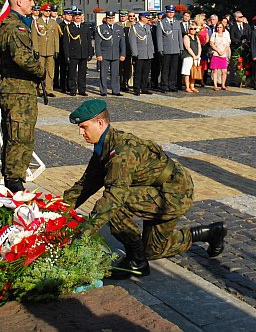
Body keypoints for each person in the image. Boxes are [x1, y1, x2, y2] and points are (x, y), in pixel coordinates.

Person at [63, 99, 227, 278]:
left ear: (100, 123)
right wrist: (56, 211)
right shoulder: (105, 147)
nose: (80, 132)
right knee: (153, 250)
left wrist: (85, 232)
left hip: (173, 194)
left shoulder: (121, 154)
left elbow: (114, 198)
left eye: (84, 127)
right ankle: (211, 233)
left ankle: (136, 261)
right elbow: (86, 185)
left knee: (116, 202)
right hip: (156, 190)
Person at [0, 0, 45, 193]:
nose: (33, 4)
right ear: (19, 1)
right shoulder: (14, 27)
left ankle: (14, 182)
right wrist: (41, 70)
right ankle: (14, 185)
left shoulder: (17, 24)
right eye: (30, 0)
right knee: (19, 139)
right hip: (18, 91)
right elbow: (22, 58)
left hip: (20, 91)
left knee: (19, 138)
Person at [31, 4, 60, 97]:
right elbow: (34, 37)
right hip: (41, 49)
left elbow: (56, 37)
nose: (48, 12)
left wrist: (57, 50)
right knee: (40, 70)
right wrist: (35, 49)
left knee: (50, 71)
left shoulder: (53, 23)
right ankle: (38, 89)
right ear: (42, 11)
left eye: (49, 11)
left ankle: (49, 89)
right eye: (46, 11)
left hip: (50, 50)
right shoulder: (36, 22)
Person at [64, 9, 94, 96]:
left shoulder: (85, 27)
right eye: (76, 16)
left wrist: (90, 53)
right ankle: (72, 89)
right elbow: (66, 43)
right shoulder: (69, 27)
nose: (78, 17)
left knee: (82, 73)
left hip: (83, 53)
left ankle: (82, 89)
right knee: (72, 73)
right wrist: (67, 55)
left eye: (79, 16)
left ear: (81, 17)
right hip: (73, 53)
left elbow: (89, 41)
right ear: (73, 17)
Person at [96, 11, 126, 96]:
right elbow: (97, 43)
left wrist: (123, 54)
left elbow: (122, 43)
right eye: (109, 18)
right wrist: (98, 54)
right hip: (104, 54)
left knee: (115, 74)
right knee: (103, 74)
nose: (111, 19)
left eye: (112, 18)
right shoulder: (100, 28)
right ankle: (103, 91)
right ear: (106, 18)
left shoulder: (119, 28)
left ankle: (116, 90)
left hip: (116, 54)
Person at [156, 5, 183, 93]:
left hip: (175, 49)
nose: (170, 14)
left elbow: (179, 36)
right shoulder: (161, 22)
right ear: (166, 13)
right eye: (169, 12)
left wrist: (181, 48)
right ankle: (164, 85)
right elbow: (159, 37)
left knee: (174, 68)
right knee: (165, 68)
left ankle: (172, 84)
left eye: (172, 12)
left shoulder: (176, 22)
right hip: (166, 49)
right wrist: (160, 49)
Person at [129, 12, 155, 96]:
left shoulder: (147, 27)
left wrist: (152, 51)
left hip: (148, 53)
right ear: (142, 18)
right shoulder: (134, 27)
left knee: (146, 72)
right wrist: (135, 53)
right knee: (138, 72)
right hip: (139, 53)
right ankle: (136, 88)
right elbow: (132, 41)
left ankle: (144, 87)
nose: (148, 19)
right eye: (147, 17)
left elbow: (150, 41)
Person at [209, 21, 230, 91]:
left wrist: (223, 51)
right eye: (218, 27)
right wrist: (218, 50)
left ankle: (223, 84)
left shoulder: (226, 34)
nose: (219, 28)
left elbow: (228, 44)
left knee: (224, 71)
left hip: (223, 54)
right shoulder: (214, 34)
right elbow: (211, 44)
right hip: (216, 54)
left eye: (220, 27)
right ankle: (215, 85)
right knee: (215, 70)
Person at [181, 23, 201, 93]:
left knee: (194, 72)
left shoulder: (196, 37)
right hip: (188, 56)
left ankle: (192, 86)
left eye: (194, 29)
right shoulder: (186, 36)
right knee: (187, 72)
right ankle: (187, 87)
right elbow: (187, 47)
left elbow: (199, 46)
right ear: (188, 29)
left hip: (196, 57)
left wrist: (198, 55)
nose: (193, 30)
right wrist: (194, 55)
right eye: (191, 29)